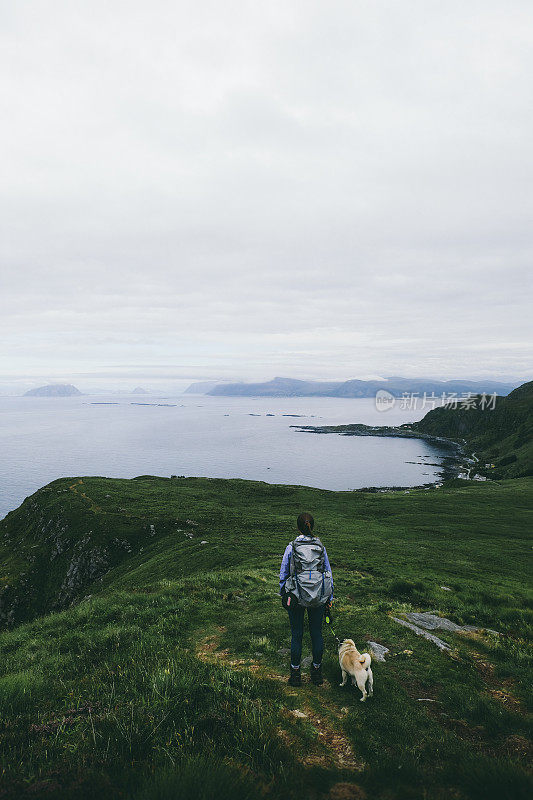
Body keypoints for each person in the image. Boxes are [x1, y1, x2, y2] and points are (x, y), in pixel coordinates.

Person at [279, 512, 333, 687]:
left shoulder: (292, 547)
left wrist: (284, 594)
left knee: (297, 635)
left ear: (298, 527)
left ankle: (295, 674)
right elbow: (328, 573)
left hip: (295, 595)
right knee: (316, 634)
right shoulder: (321, 547)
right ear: (312, 527)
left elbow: (284, 574)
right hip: (318, 596)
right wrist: (329, 598)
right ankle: (316, 673)